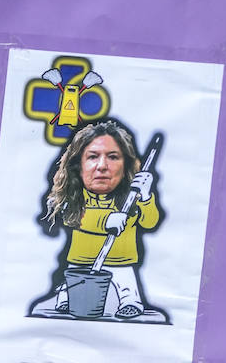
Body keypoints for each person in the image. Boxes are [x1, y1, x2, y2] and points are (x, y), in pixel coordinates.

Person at [33, 119, 165, 323]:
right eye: (93, 157)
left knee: (127, 290)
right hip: (80, 264)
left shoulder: (132, 196)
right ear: (78, 164)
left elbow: (150, 223)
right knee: (69, 293)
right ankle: (65, 297)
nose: (102, 166)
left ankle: (131, 303)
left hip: (122, 263)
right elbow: (72, 219)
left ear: (126, 164)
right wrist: (106, 220)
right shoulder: (73, 197)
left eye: (113, 157)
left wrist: (146, 197)